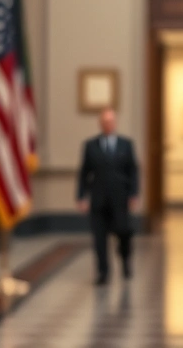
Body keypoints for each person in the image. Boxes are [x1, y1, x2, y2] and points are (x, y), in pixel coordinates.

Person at [77, 108, 140, 284]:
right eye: (105, 122)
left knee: (123, 233)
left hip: (120, 199)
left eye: (111, 121)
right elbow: (84, 173)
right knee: (99, 238)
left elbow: (133, 171)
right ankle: (103, 272)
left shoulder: (126, 145)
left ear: (115, 123)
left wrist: (134, 194)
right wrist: (81, 196)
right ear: (100, 124)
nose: (108, 125)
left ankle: (125, 260)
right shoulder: (91, 146)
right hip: (98, 200)